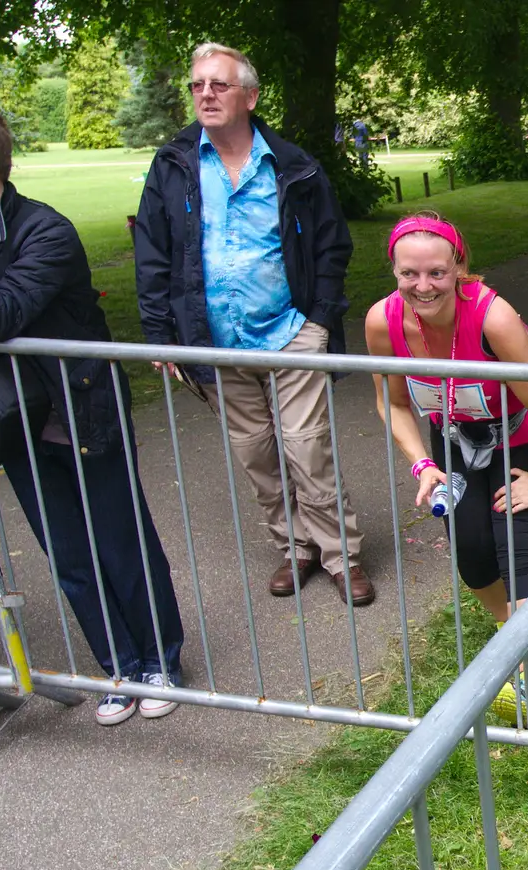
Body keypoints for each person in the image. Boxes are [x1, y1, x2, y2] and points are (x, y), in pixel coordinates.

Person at [0, 92, 187, 726]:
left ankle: (161, 660)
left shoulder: (44, 230)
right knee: (66, 550)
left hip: (82, 408)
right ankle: (119, 666)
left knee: (120, 538)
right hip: (13, 420)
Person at [135, 42, 373, 607]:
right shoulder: (173, 166)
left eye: (219, 84)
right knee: (257, 455)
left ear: (250, 95)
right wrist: (161, 333)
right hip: (214, 343)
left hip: (290, 334)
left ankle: (341, 556)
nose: (206, 95)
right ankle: (295, 549)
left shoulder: (293, 166)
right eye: (197, 86)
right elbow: (152, 251)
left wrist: (318, 322)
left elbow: (331, 249)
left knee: (306, 448)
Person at [365, 214, 528, 719]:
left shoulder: (492, 317)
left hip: (514, 439)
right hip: (450, 443)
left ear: (458, 267)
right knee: (472, 554)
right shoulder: (381, 322)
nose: (423, 286)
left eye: (436, 272)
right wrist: (422, 464)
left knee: (515, 551)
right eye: (409, 274)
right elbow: (393, 404)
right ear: (394, 271)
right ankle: (513, 628)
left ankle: (524, 680)